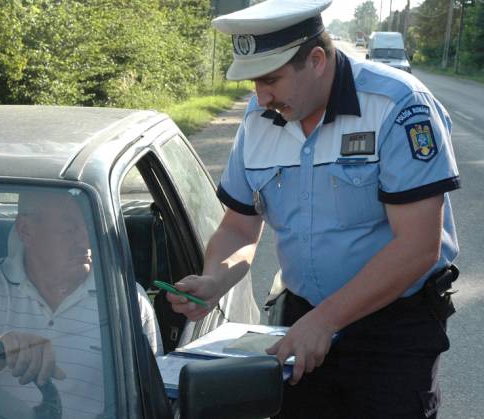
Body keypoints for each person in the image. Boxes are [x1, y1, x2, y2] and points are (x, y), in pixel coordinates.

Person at [166, 1, 460, 417]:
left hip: (393, 329)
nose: (261, 96)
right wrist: (216, 277)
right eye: (254, 82)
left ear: (317, 60)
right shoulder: (257, 120)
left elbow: (417, 247)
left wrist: (327, 320)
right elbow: (238, 228)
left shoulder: (397, 106)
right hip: (302, 325)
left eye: (271, 79)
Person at [0, 189, 162, 419]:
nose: (85, 241)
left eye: (90, 227)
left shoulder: (126, 300)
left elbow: (150, 400)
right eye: (70, 229)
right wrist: (2, 348)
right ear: (25, 230)